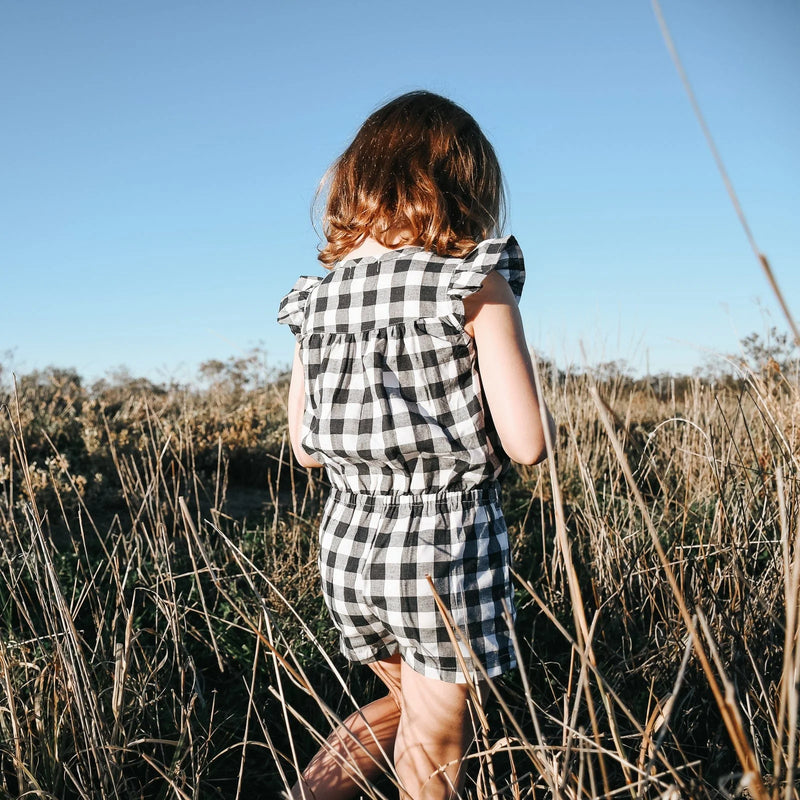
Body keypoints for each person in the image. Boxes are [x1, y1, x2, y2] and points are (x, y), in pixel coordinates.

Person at [277, 90, 555, 800]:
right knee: (433, 743)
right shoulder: (472, 281)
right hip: (445, 550)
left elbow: (306, 449)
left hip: (349, 549)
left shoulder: (314, 299)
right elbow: (526, 444)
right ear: (468, 187)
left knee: (404, 706)